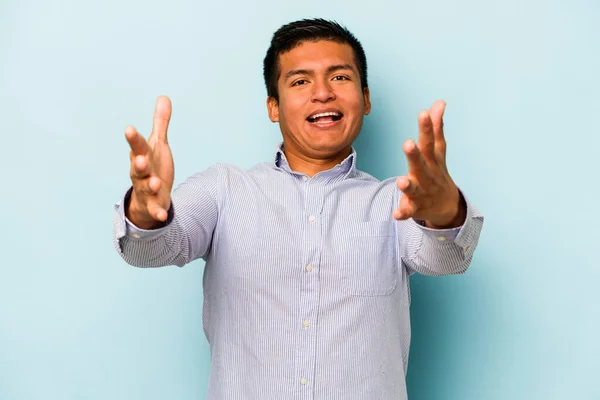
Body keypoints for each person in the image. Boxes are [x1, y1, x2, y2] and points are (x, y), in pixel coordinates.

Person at [113, 18, 483, 400]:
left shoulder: (396, 201)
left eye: (340, 77)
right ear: (273, 106)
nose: (322, 93)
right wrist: (146, 212)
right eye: (300, 81)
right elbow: (148, 249)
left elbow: (447, 259)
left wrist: (443, 212)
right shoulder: (223, 189)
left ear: (366, 98)